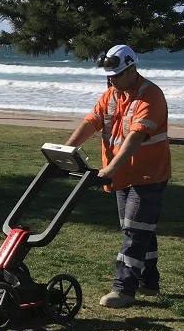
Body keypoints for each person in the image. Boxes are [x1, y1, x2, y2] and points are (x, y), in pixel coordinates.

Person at [64, 44, 171, 309]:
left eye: (117, 75)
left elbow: (135, 137)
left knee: (134, 231)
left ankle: (124, 290)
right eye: (108, 76)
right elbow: (91, 122)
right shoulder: (111, 94)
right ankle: (149, 282)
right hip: (122, 175)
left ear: (132, 68)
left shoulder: (151, 96)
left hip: (147, 174)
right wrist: (67, 149)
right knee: (138, 228)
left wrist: (111, 169)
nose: (111, 80)